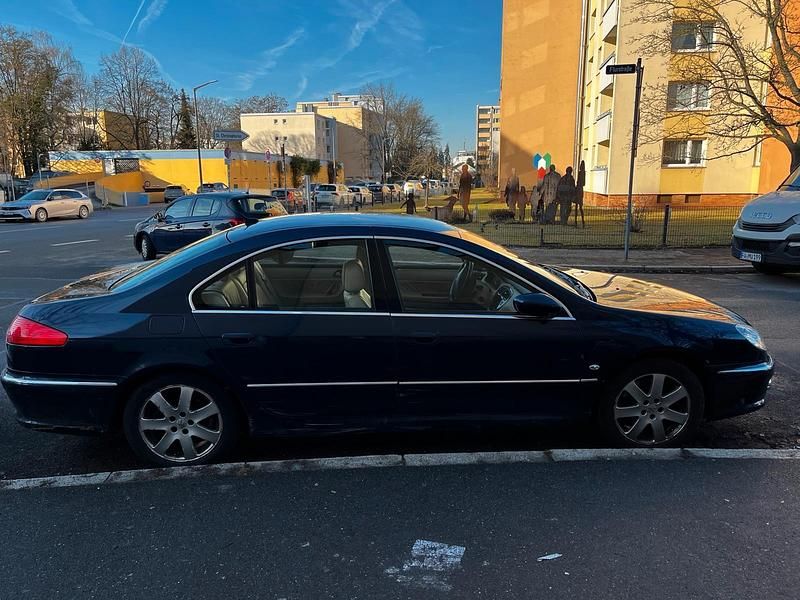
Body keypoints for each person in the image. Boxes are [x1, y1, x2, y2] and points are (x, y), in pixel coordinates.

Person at [574, 160, 586, 228]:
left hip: (579, 190)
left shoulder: (582, 173)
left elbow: (582, 183)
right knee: (578, 207)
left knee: (579, 207)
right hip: (579, 190)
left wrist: (578, 185)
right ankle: (578, 221)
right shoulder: (581, 173)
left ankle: (581, 221)